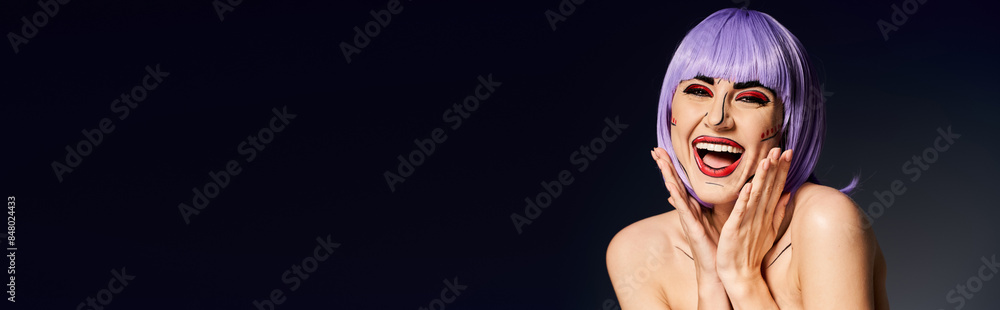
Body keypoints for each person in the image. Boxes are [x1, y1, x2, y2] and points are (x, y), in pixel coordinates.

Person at [606, 8, 889, 309]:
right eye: (699, 91)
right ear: (669, 109)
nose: (717, 119)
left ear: (789, 123)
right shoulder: (638, 250)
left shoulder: (826, 222)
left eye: (750, 98)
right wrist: (712, 282)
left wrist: (742, 280)